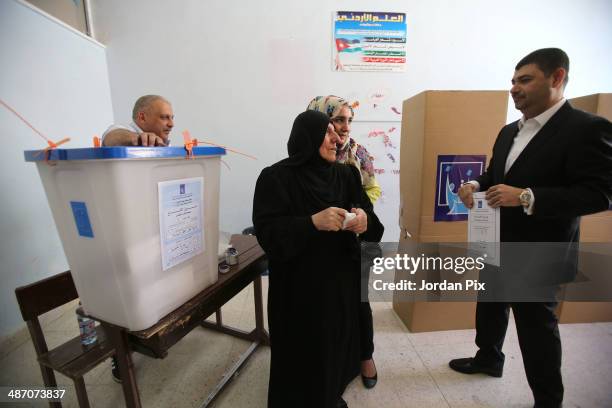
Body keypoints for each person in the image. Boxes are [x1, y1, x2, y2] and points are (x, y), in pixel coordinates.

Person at [449, 48, 612, 407]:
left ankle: (548, 400)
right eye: (513, 81)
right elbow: (495, 176)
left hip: (540, 250)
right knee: (490, 304)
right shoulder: (509, 132)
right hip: (495, 240)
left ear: (557, 78)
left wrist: (526, 197)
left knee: (536, 329)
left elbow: (600, 193)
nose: (514, 88)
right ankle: (488, 358)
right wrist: (474, 186)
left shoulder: (586, 129)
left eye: (525, 80)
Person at [253, 110, 384, 407]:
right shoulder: (276, 177)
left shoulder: (346, 174)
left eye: (336, 133)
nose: (337, 139)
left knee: (335, 345)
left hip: (340, 280)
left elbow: (372, 224)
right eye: (327, 133)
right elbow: (268, 233)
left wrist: (364, 219)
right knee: (303, 349)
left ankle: (329, 395)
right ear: (306, 137)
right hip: (299, 286)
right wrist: (312, 223)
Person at [307, 95, 381, 388]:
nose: (345, 126)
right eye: (338, 119)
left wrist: (358, 211)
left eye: (349, 120)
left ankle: (365, 356)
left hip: (358, 234)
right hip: (323, 244)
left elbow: (372, 191)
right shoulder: (309, 151)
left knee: (359, 300)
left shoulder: (358, 154)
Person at [102, 94, 174, 146]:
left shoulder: (165, 143)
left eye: (172, 118)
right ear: (142, 117)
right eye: (164, 117)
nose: (171, 124)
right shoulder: (118, 130)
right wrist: (138, 138)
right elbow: (111, 137)